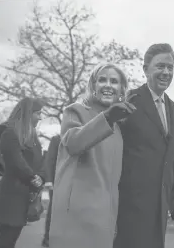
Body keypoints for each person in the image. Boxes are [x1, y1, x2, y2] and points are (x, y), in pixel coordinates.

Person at [49, 63, 136, 248]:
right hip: (76, 216)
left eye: (114, 81)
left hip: (105, 217)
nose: (108, 85)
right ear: (93, 86)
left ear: (121, 89)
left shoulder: (118, 126)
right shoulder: (75, 111)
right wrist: (108, 118)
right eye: (102, 80)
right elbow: (73, 143)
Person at [114, 43, 174, 248]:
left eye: (170, 67)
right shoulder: (128, 102)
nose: (166, 72)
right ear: (145, 69)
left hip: (160, 205)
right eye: (160, 66)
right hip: (129, 205)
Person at [0, 97, 45, 248]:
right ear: (29, 114)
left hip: (24, 194)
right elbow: (16, 160)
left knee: (11, 240)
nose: (40, 117)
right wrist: (32, 178)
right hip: (11, 194)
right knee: (5, 240)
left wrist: (41, 177)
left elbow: (40, 160)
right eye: (38, 113)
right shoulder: (9, 132)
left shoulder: (32, 136)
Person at [41, 134, 60, 247]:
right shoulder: (56, 139)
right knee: (53, 210)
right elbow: (50, 160)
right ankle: (47, 238)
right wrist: (49, 181)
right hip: (56, 181)